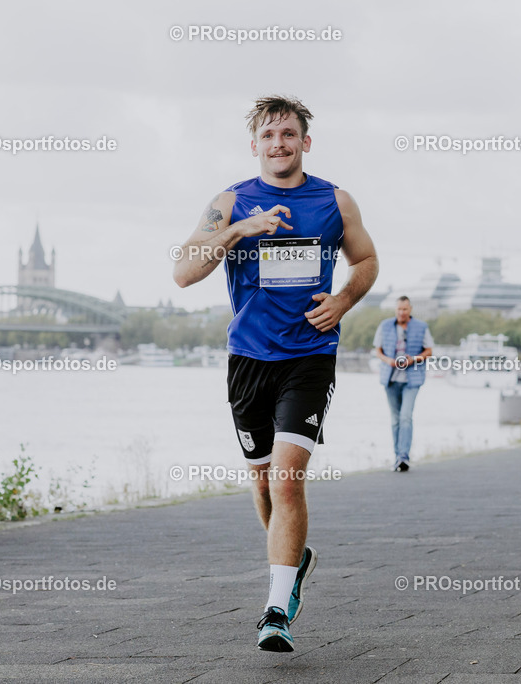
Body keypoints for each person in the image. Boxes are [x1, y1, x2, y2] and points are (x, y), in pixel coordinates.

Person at [172, 96, 379, 652]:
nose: (279, 143)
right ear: (255, 145)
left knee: (287, 477)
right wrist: (240, 229)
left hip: (309, 355)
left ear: (305, 142)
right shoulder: (230, 201)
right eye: (269, 135)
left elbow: (366, 260)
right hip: (249, 359)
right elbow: (184, 272)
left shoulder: (334, 200)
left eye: (288, 134)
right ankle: (294, 559)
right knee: (263, 481)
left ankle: (276, 610)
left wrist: (343, 301)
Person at [373, 296, 434, 472]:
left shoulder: (422, 327)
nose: (401, 312)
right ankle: (397, 457)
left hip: (412, 379)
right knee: (395, 419)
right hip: (391, 379)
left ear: (410, 309)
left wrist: (413, 359)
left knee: (405, 416)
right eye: (399, 309)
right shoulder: (385, 325)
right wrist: (389, 361)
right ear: (395, 310)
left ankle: (403, 456)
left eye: (405, 309)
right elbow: (378, 350)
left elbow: (429, 351)